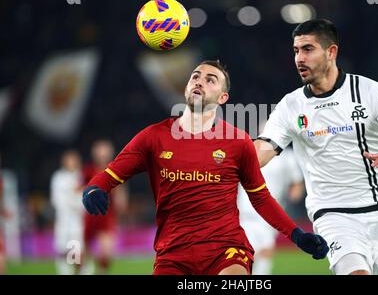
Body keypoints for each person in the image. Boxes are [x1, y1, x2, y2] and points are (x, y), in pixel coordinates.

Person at [81, 60, 328, 275]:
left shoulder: (238, 142)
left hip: (226, 249)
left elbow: (261, 198)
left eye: (211, 80)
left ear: (223, 97)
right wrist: (93, 189)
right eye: (195, 77)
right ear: (187, 87)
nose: (200, 81)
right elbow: (111, 174)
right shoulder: (153, 137)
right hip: (173, 253)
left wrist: (296, 235)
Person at [254, 19, 378, 275]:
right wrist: (220, 158)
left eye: (308, 49)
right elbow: (263, 150)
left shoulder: (370, 92)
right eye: (296, 51)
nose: (299, 58)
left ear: (331, 51)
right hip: (335, 215)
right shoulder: (290, 106)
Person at [237, 146, 305, 275]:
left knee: (263, 252)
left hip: (270, 213)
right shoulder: (247, 151)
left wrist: (293, 198)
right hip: (244, 211)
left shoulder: (287, 157)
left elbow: (297, 183)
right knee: (248, 253)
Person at [82, 139, 128, 274]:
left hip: (107, 215)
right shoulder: (88, 171)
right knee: (83, 252)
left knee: (106, 252)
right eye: (100, 151)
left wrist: (121, 200)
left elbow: (121, 192)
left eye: (105, 151)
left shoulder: (115, 170)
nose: (102, 154)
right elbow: (79, 189)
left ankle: (102, 272)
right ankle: (80, 271)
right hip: (89, 215)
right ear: (94, 153)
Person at [50, 149, 84, 275]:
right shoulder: (58, 177)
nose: (71, 162)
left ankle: (80, 270)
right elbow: (56, 199)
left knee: (75, 248)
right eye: (69, 160)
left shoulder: (80, 176)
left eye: (73, 160)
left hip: (77, 219)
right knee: (62, 248)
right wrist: (71, 200)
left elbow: (82, 198)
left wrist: (77, 204)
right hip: (63, 218)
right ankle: (65, 271)